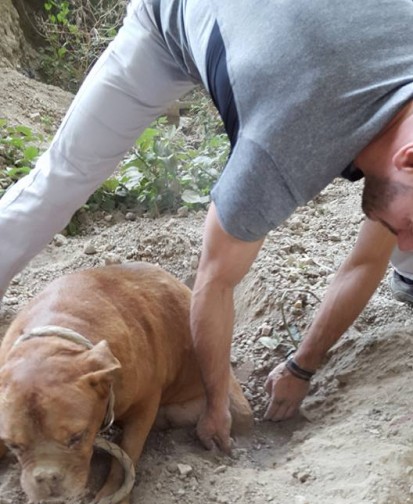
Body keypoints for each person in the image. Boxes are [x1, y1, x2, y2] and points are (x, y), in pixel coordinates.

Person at [3, 0, 413, 451]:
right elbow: (214, 280)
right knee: (63, 176)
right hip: (170, 23)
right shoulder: (282, 145)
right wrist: (216, 403)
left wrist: (301, 366)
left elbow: (366, 260)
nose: (405, 237)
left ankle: (408, 271)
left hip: (296, 42)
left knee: (394, 216)